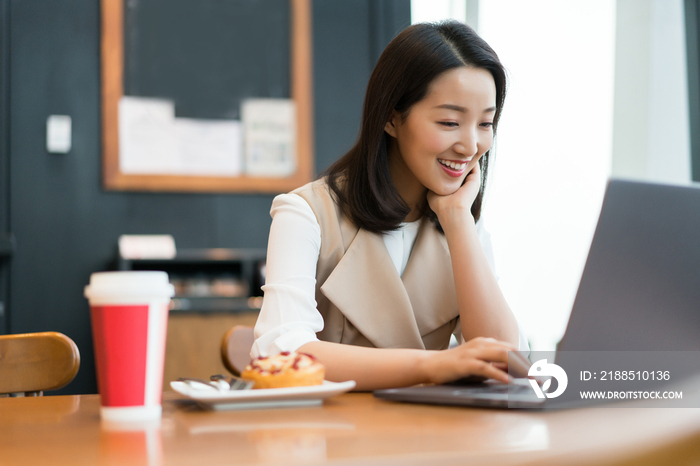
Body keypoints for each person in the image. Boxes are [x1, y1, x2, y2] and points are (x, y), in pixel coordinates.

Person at [252, 21, 529, 391]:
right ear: (391, 117)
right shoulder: (306, 213)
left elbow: (505, 356)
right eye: (449, 122)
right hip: (332, 438)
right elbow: (281, 350)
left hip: (436, 438)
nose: (470, 145)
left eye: (485, 123)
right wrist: (434, 365)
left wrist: (459, 220)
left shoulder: (461, 221)